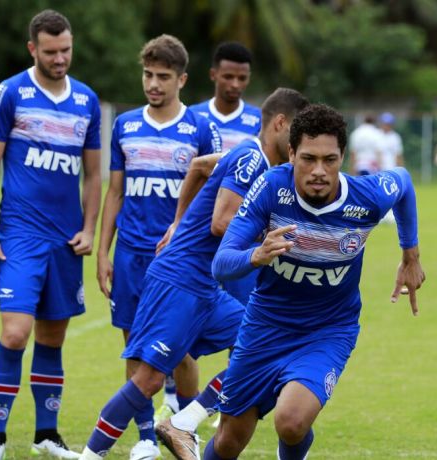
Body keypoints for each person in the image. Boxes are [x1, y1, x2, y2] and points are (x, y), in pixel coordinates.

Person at [80, 87, 310, 460]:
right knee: (149, 379)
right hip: (179, 279)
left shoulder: (257, 160)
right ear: (280, 124)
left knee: (263, 346)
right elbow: (221, 223)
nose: (302, 143)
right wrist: (264, 239)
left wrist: (177, 222)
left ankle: (184, 420)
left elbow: (199, 166)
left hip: (204, 284)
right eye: (298, 132)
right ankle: (91, 456)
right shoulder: (251, 158)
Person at [203, 104, 425, 460]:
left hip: (327, 329)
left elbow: (403, 182)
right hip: (265, 326)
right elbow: (221, 263)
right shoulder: (272, 188)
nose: (319, 170)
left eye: (330, 159)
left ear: (343, 157)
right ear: (291, 154)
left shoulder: (366, 197)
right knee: (229, 440)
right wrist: (255, 255)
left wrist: (410, 255)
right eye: (308, 158)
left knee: (291, 422)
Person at [0, 9, 102, 459]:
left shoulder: (86, 100)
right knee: (15, 333)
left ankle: (46, 434)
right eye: (50, 52)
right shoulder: (10, 93)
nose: (60, 58)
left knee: (53, 338)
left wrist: (89, 228)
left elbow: (92, 176)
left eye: (66, 49)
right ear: (33, 49)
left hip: (66, 239)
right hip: (20, 235)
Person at [94, 34, 221, 460]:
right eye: (148, 74)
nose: (153, 83)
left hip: (180, 258)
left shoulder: (201, 129)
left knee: (182, 348)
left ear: (182, 79)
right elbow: (114, 193)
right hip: (131, 253)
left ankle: (185, 429)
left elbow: (216, 192)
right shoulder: (125, 124)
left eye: (163, 76)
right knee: (134, 345)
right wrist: (103, 252)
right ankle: (147, 436)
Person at [153, 40, 260, 421]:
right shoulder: (197, 119)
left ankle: (234, 400)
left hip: (241, 238)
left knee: (245, 320)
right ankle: (175, 393)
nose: (234, 84)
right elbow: (196, 172)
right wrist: (181, 224)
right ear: (213, 74)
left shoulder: (260, 122)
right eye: (227, 75)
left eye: (242, 78)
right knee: (185, 321)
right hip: (203, 240)